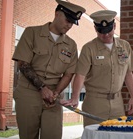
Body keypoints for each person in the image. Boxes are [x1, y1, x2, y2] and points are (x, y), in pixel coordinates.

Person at [12, 0, 85, 139]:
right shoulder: (32, 33)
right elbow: (23, 64)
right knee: (28, 135)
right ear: (57, 14)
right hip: (29, 93)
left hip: (54, 96)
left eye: (72, 22)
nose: (69, 25)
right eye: (67, 20)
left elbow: (69, 74)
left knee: (53, 135)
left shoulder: (71, 45)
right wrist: (42, 88)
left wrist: (56, 92)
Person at [61, 10, 133, 127]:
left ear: (114, 26)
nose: (105, 35)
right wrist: (75, 97)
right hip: (95, 103)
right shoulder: (89, 48)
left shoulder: (125, 46)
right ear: (95, 29)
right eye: (101, 31)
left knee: (118, 135)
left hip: (117, 103)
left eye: (108, 31)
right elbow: (80, 75)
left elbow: (128, 73)